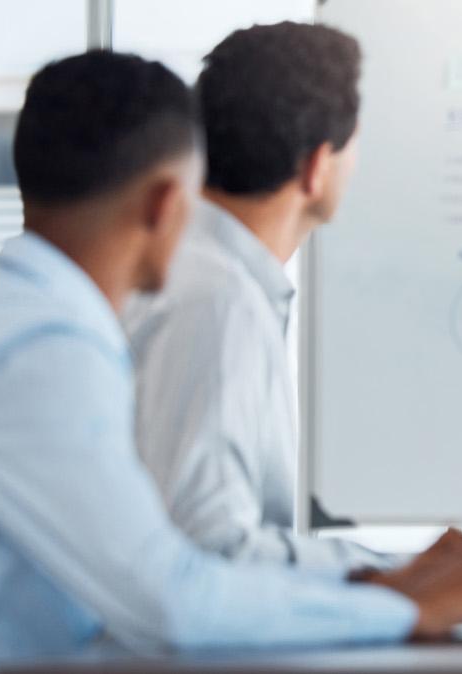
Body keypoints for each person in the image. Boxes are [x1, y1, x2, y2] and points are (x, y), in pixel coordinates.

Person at [0, 51, 462, 674]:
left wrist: (394, 582)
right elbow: (172, 599)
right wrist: (410, 607)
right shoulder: (40, 350)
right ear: (168, 203)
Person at [122, 22, 388, 575]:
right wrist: (385, 574)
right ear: (317, 167)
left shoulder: (190, 274)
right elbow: (209, 547)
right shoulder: (217, 300)